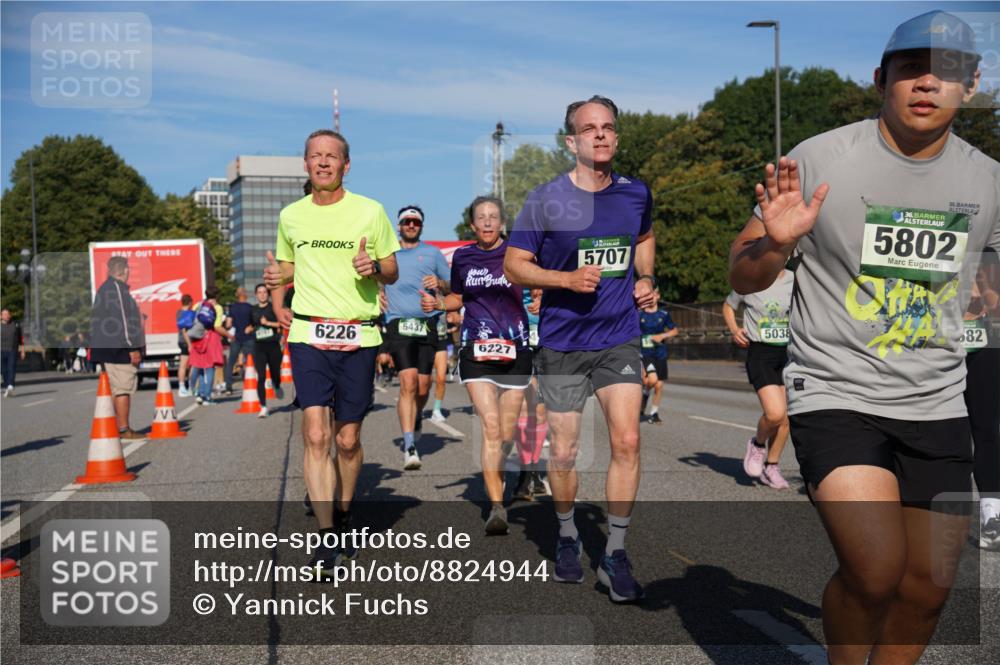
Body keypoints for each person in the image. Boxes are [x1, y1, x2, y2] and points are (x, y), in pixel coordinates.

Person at [728, 11, 998, 663]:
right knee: (875, 569)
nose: (928, 82)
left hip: (937, 401)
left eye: (948, 71)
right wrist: (775, 243)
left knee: (928, 587)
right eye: (911, 68)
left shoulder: (988, 180)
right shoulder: (820, 158)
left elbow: (991, 282)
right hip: (835, 391)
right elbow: (743, 271)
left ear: (972, 86)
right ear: (881, 78)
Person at [504, 95, 656, 603]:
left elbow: (644, 238)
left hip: (618, 337)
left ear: (617, 136)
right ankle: (568, 534)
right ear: (571, 141)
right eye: (589, 128)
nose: (601, 134)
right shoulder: (545, 199)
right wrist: (565, 279)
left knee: (628, 441)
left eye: (608, 127)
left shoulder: (636, 193)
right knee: (565, 452)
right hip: (563, 342)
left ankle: (615, 552)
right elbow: (514, 265)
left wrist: (645, 278)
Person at [264, 128, 399, 576]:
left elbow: (392, 269)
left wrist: (373, 266)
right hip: (309, 335)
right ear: (305, 164)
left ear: (346, 164)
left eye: (332, 156)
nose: (323, 162)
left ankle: (343, 510)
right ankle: (326, 538)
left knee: (347, 439)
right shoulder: (291, 216)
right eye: (315, 156)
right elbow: (287, 268)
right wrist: (278, 290)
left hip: (358, 335)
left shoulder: (370, 211)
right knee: (317, 434)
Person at [422, 196, 532, 534]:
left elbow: (537, 284)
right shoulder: (463, 257)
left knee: (507, 432)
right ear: (472, 225)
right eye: (481, 217)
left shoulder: (518, 254)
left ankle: (504, 474)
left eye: (493, 216)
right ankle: (497, 507)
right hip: (476, 349)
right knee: (491, 426)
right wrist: (440, 304)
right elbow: (459, 297)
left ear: (502, 223)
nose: (487, 222)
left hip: (515, 348)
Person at [382, 205, 450, 470]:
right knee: (408, 383)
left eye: (416, 222)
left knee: (423, 387)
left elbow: (453, 285)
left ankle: (417, 414)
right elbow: (373, 277)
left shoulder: (433, 253)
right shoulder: (389, 254)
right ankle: (410, 445)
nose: (411, 225)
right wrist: (377, 293)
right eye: (406, 221)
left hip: (426, 325)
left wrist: (440, 284)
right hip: (398, 323)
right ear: (399, 226)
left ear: (421, 226)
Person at [722, 269, 793, 488]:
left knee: (786, 419)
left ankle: (772, 466)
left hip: (788, 354)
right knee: (775, 413)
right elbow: (728, 306)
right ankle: (758, 445)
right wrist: (734, 330)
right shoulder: (751, 278)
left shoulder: (795, 279)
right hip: (760, 354)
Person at [963, 250, 999, 550]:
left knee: (987, 431)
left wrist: (983, 290)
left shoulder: (986, 253)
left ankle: (991, 518)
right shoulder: (933, 248)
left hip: (983, 350)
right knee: (944, 434)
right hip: (934, 351)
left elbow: (994, 301)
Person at [89, 256, 145, 440]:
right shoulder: (116, 290)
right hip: (118, 349)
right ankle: (123, 429)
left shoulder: (106, 288)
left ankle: (116, 428)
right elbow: (121, 321)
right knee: (122, 389)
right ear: (125, 270)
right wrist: (132, 348)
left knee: (116, 388)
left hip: (108, 347)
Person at [512, 287, 548, 500]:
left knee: (541, 413)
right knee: (524, 411)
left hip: (549, 352)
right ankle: (526, 472)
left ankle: (533, 469)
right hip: (523, 352)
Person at [638, 289, 678, 425]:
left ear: (658, 296)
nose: (651, 297)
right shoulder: (639, 314)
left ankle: (654, 413)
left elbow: (675, 330)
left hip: (660, 353)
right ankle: (645, 391)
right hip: (645, 353)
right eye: (648, 295)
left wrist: (662, 336)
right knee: (653, 380)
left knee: (659, 385)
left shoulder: (663, 314)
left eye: (653, 294)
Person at [250, 283, 284, 418]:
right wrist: (249, 329)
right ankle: (263, 407)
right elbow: (250, 325)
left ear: (268, 294)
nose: (262, 295)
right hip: (259, 347)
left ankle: (277, 385)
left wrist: (268, 323)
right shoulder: (253, 310)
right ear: (256, 295)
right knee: (261, 377)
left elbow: (281, 324)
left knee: (275, 373)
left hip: (273, 345)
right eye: (259, 292)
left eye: (264, 292)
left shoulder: (273, 308)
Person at [187, 287, 226, 405]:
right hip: (210, 339)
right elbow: (217, 326)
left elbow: (191, 320)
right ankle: (207, 397)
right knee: (210, 368)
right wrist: (229, 335)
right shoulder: (218, 308)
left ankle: (199, 393)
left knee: (200, 367)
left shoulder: (198, 305)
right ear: (217, 296)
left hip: (197, 338)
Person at [223, 286, 254, 395]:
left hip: (236, 338)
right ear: (246, 295)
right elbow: (254, 323)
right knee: (249, 362)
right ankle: (250, 383)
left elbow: (228, 324)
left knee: (231, 362)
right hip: (248, 338)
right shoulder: (250, 308)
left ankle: (228, 387)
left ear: (237, 295)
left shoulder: (232, 307)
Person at [0, 309, 24, 397]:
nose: (6, 316)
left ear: (10, 315)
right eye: (4, 314)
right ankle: (8, 387)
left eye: (8, 314)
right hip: (1, 351)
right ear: (1, 316)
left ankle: (10, 385)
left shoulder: (15, 325)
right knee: (3, 370)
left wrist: (22, 351)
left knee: (11, 367)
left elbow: (21, 340)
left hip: (12, 350)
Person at [176, 294, 195, 396]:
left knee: (183, 365)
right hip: (187, 341)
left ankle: (182, 385)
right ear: (190, 302)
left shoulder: (179, 312)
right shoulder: (187, 313)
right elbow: (184, 330)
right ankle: (188, 386)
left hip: (181, 341)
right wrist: (190, 344)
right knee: (190, 365)